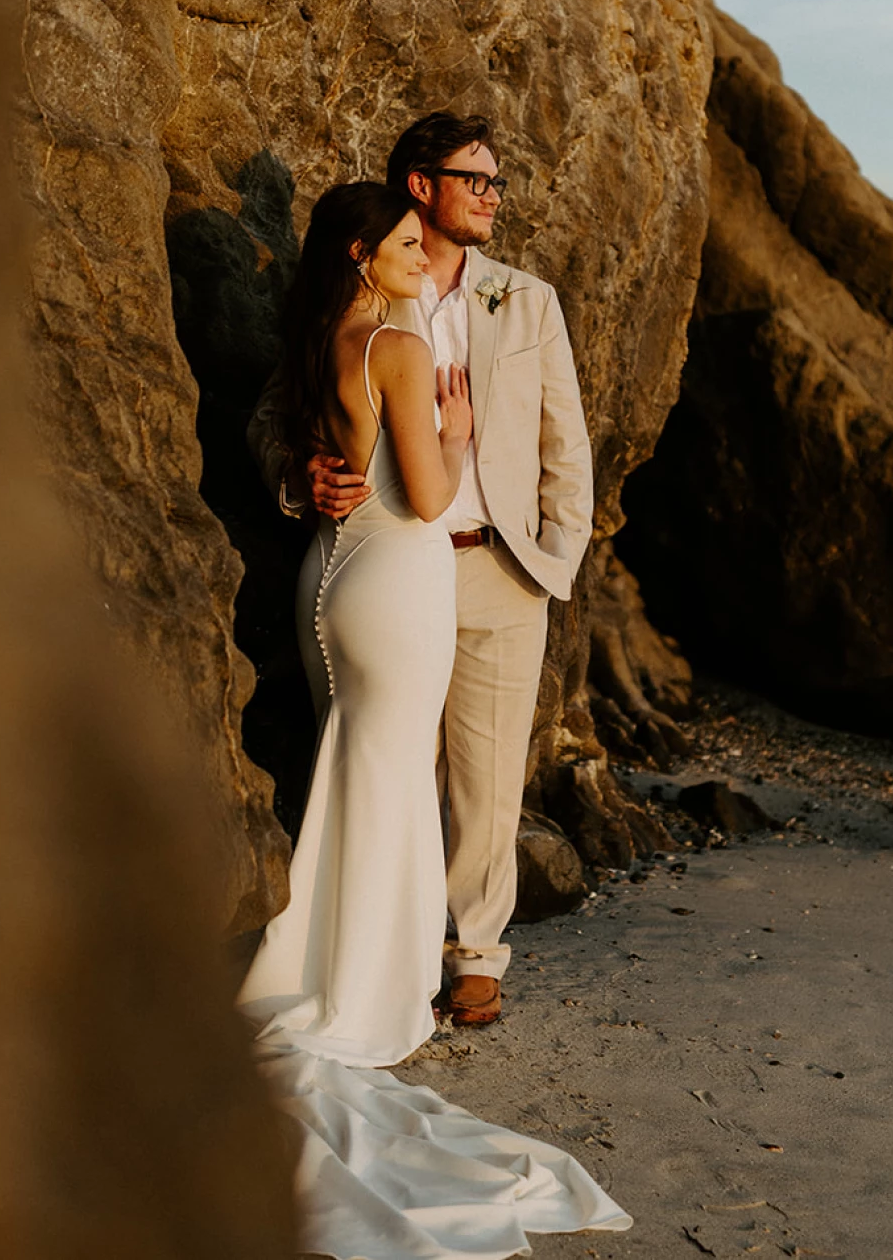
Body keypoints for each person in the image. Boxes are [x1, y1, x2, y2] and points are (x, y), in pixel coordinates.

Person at [235, 182, 626, 1259]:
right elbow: (422, 479)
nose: (425, 255)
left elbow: (314, 449)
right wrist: (454, 432)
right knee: (394, 784)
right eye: (409, 243)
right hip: (399, 579)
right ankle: (364, 993)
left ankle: (332, 965)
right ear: (367, 249)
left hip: (329, 578)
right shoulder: (399, 348)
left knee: (348, 776)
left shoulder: (322, 334)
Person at [250, 112, 594, 1030]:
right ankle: (385, 954)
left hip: (493, 566)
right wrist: (298, 474)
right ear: (420, 186)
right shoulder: (375, 288)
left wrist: (554, 556)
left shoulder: (528, 301)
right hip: (389, 559)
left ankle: (475, 953)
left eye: (495, 181)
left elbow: (568, 445)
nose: (490, 196)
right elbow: (276, 412)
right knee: (393, 762)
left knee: (485, 775)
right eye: (474, 179)